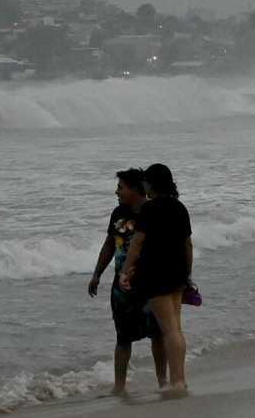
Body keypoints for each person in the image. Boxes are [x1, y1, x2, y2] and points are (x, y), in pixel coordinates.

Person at [88, 168, 167, 395]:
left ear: (135, 188)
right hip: (121, 287)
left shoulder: (152, 211)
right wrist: (97, 274)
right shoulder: (118, 213)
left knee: (158, 334)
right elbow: (109, 244)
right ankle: (119, 386)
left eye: (121, 187)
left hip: (150, 284)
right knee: (123, 337)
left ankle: (163, 382)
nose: (117, 192)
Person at [119, 163, 193, 397]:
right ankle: (180, 378)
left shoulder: (150, 209)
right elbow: (187, 244)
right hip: (178, 272)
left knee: (169, 329)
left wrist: (126, 270)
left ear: (153, 183)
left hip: (157, 273)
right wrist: (188, 272)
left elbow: (137, 242)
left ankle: (177, 381)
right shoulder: (180, 208)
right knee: (176, 328)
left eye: (146, 182)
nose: (145, 186)